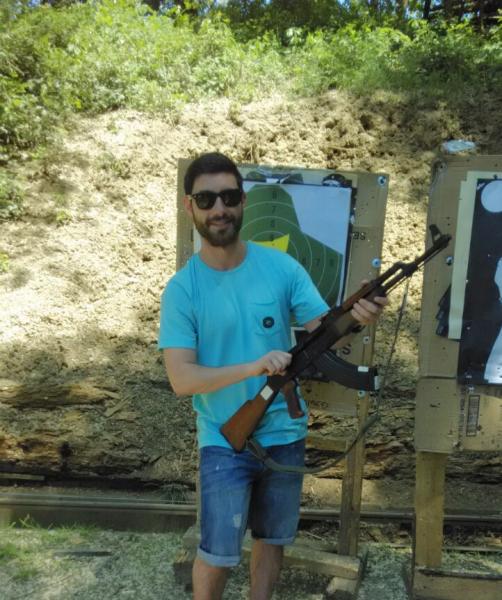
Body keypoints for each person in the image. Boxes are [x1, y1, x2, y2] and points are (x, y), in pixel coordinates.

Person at [158, 152, 387, 600]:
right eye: (206, 199)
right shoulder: (182, 290)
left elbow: (326, 331)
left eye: (229, 197)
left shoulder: (281, 268)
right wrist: (254, 366)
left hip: (284, 432)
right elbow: (181, 379)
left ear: (243, 201)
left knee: (272, 539)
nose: (219, 208)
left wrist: (358, 316)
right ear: (190, 207)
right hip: (224, 437)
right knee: (217, 552)